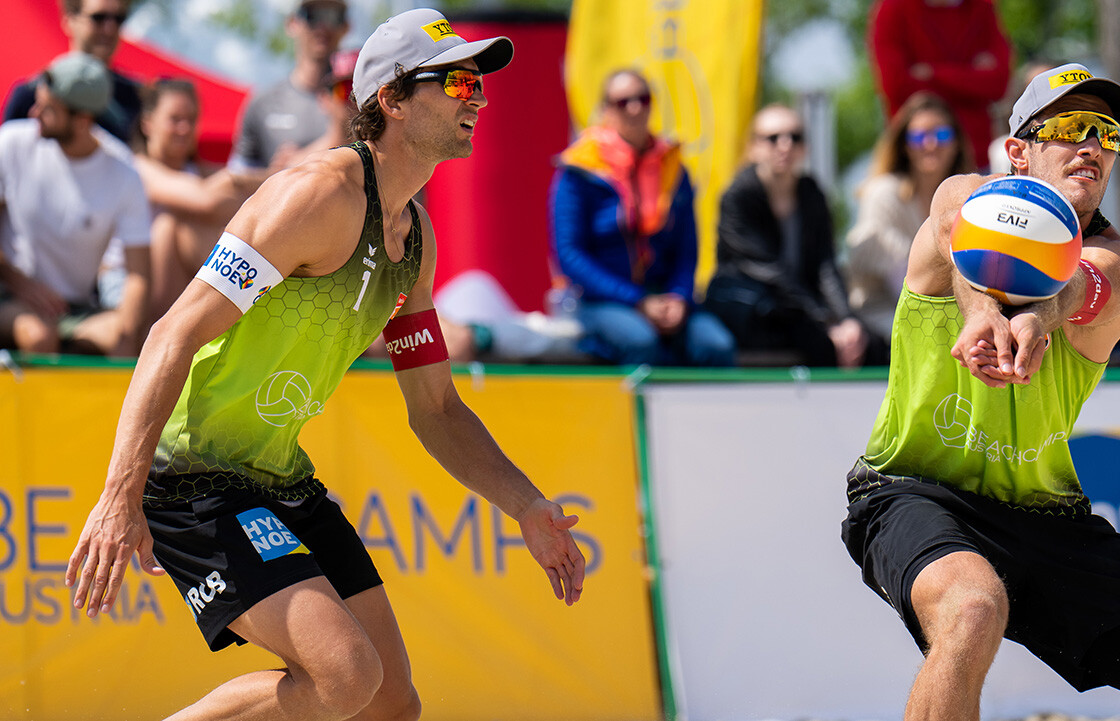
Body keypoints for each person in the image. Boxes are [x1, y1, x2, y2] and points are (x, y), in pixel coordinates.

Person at [64, 9, 585, 720]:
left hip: (280, 478)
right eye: (459, 81)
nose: (480, 98)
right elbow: (170, 333)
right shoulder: (315, 196)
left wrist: (526, 506)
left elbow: (435, 408)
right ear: (393, 100)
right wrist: (119, 497)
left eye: (478, 83)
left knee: (391, 705)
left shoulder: (415, 240)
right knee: (345, 674)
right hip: (191, 479)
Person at [840, 63, 1120, 720]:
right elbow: (957, 226)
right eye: (1068, 127)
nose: (1091, 144)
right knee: (972, 609)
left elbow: (1082, 287)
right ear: (1017, 150)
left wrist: (1040, 316)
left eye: (1104, 132)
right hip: (912, 488)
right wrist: (981, 307)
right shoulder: (963, 201)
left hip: (1045, 514)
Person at [550, 69, 735, 367]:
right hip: (601, 301)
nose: (635, 108)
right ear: (606, 109)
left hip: (664, 296)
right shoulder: (578, 172)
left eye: (643, 99)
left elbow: (688, 249)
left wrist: (678, 297)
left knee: (716, 344)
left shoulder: (674, 169)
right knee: (640, 342)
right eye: (623, 101)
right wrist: (637, 300)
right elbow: (569, 255)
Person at [0, 52, 150, 357]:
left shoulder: (123, 172)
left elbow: (138, 275)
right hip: (7, 295)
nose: (32, 113)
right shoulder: (11, 142)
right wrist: (20, 283)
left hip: (74, 310)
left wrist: (127, 333)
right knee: (39, 336)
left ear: (82, 122)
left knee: (121, 339)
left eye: (47, 109)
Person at [704, 104, 869, 368]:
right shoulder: (739, 197)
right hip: (752, 308)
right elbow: (770, 272)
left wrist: (846, 318)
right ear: (753, 147)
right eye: (773, 138)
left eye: (795, 137)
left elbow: (825, 264)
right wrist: (826, 321)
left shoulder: (811, 192)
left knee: (867, 343)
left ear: (805, 147)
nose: (785, 145)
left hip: (797, 309)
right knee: (819, 344)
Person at [845, 91, 975, 347]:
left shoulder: (972, 198)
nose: (930, 144)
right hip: (883, 318)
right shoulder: (883, 194)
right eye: (918, 136)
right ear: (904, 144)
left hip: (949, 317)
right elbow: (901, 279)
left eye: (941, 134)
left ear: (957, 142)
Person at [133, 78, 267, 320]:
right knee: (170, 225)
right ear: (148, 124)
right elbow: (206, 200)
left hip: (182, 285)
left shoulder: (201, 172)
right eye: (175, 120)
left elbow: (236, 196)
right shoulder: (138, 168)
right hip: (134, 283)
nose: (184, 129)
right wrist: (237, 180)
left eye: (191, 120)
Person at [867, 0, 1011, 171]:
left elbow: (998, 83)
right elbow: (895, 85)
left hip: (975, 163)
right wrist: (969, 75)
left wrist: (931, 73)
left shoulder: (981, 7)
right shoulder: (894, 9)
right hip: (915, 166)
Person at [228, 0, 350, 171]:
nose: (323, 25)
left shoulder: (361, 100)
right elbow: (239, 182)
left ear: (346, 26)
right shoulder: (262, 105)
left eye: (333, 16)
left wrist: (295, 163)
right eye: (313, 15)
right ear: (292, 23)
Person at [3, 0, 141, 145]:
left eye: (118, 19)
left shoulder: (137, 99)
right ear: (69, 20)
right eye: (98, 18)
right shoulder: (30, 95)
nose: (110, 28)